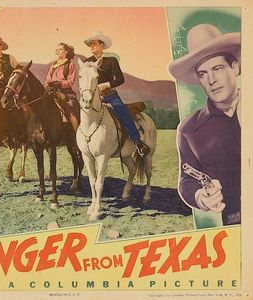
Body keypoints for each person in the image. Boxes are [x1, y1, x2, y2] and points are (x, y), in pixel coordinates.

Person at [168, 24, 241, 225]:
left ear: (234, 67)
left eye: (217, 68)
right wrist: (202, 196)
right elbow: (187, 180)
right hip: (237, 223)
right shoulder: (189, 130)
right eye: (203, 74)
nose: (211, 80)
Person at [83, 31, 150, 157]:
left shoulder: (111, 61)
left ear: (102, 45)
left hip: (110, 96)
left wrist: (107, 84)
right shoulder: (87, 62)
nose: (91, 46)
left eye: (94, 44)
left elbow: (120, 79)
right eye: (90, 44)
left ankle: (137, 143)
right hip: (94, 98)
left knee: (123, 112)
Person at [45, 42, 80, 132]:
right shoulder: (53, 65)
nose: (57, 51)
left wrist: (60, 83)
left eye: (60, 49)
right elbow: (47, 80)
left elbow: (70, 81)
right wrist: (48, 86)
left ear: (66, 52)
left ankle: (77, 135)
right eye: (56, 50)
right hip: (52, 91)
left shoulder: (70, 64)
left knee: (70, 111)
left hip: (65, 92)